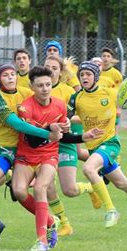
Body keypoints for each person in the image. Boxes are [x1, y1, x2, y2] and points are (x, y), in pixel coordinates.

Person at [11, 66, 102, 251]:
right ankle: (51, 221)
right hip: (26, 155)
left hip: (49, 156)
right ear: (32, 87)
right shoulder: (25, 108)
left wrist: (82, 137)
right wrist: (49, 127)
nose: (45, 88)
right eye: (40, 85)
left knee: (40, 188)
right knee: (19, 191)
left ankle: (42, 240)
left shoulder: (60, 105)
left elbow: (61, 136)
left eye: (47, 84)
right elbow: (33, 139)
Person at [0, 63, 61, 245]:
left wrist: (61, 122)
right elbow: (17, 124)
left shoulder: (26, 93)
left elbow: (46, 102)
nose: (11, 77)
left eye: (13, 74)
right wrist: (48, 134)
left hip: (9, 148)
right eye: (5, 75)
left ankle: (10, 175)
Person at [69, 61, 127, 228]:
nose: (84, 77)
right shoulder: (76, 98)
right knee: (121, 183)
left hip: (110, 143)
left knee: (88, 169)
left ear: (96, 76)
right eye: (81, 75)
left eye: (88, 74)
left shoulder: (109, 92)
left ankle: (111, 210)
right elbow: (68, 117)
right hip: (93, 147)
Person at [44, 56, 102, 237]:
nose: (50, 70)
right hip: (45, 144)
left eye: (54, 67)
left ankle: (90, 188)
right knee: (46, 187)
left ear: (61, 72)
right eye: (47, 67)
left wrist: (67, 122)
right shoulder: (37, 90)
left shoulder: (68, 92)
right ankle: (65, 224)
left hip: (65, 142)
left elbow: (82, 113)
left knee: (69, 190)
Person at [100, 48, 123, 134]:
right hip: (100, 105)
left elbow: (120, 93)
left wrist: (119, 108)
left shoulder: (116, 74)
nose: (106, 58)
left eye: (108, 56)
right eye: (104, 56)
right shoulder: (97, 71)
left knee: (113, 132)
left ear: (111, 59)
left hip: (112, 106)